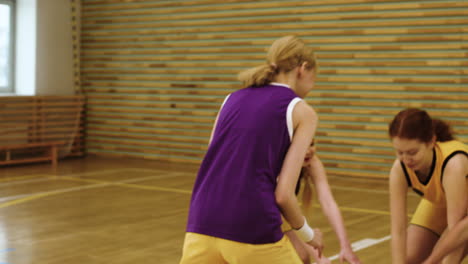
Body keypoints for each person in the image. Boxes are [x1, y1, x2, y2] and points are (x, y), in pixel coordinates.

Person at [179, 35, 323, 264]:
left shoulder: (230, 99)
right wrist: (308, 235)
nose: (313, 86)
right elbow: (284, 194)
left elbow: (214, 165)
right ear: (303, 69)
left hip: (201, 224)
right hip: (252, 231)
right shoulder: (302, 111)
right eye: (315, 77)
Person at [388, 108, 468, 264]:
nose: (406, 159)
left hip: (462, 220)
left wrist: (433, 261)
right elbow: (398, 230)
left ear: (431, 142)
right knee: (409, 259)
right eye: (399, 152)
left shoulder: (453, 164)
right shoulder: (399, 169)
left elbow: (456, 231)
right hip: (443, 205)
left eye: (412, 152)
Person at [282, 140, 362, 264]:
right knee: (300, 256)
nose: (309, 151)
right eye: (304, 145)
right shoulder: (279, 168)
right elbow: (286, 214)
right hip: (261, 217)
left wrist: (346, 246)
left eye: (312, 144)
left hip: (282, 218)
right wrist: (319, 257)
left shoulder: (312, 162)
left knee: (302, 256)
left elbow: (328, 203)